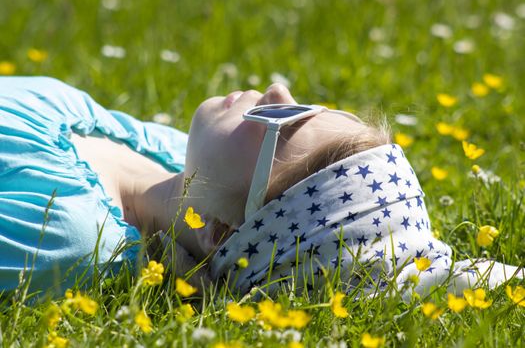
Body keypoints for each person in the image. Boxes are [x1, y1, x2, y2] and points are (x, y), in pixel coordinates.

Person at [0, 76, 522, 297]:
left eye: (281, 120)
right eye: (303, 101)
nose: (277, 87)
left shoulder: (61, 236)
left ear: (222, 233)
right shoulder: (162, 148)